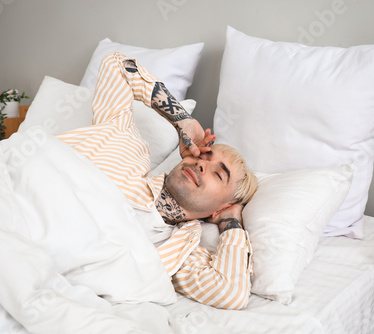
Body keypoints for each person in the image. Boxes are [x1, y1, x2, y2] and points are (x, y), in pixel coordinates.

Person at [57, 52, 258, 310]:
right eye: (204, 155)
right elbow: (118, 65)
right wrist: (182, 120)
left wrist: (231, 220)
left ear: (219, 208)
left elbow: (230, 293)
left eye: (218, 174)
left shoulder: (178, 252)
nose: (201, 164)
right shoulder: (125, 148)